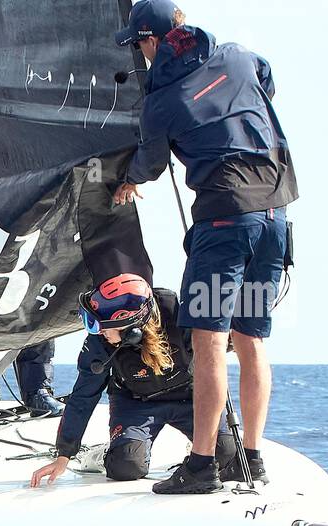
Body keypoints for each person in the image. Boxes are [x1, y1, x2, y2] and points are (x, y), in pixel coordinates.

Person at [113, 1, 297, 494]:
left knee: (209, 340)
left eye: (138, 47)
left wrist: (127, 183)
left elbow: (150, 163)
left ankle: (200, 466)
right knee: (250, 337)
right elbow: (267, 81)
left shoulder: (162, 100)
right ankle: (251, 459)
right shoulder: (238, 56)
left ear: (151, 41)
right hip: (274, 218)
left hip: (224, 225)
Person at [30, 274, 242, 488]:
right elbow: (83, 395)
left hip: (188, 397)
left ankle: (194, 447)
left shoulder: (176, 315)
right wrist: (64, 454)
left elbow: (215, 351)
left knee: (225, 453)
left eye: (100, 325)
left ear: (130, 327)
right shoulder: (100, 342)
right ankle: (102, 453)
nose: (97, 332)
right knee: (126, 467)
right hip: (136, 402)